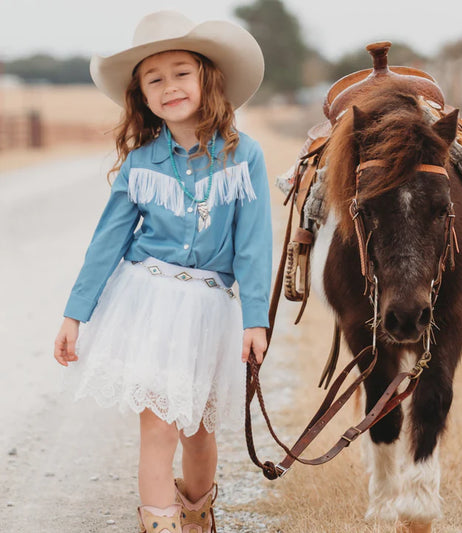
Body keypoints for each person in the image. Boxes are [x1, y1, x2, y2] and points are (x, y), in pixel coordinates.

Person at [53, 10, 271, 533]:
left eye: (181, 73)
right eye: (155, 79)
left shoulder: (245, 157)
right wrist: (74, 314)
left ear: (207, 81)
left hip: (209, 309)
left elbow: (255, 246)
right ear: (143, 97)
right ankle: (160, 524)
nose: (169, 86)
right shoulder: (141, 164)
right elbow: (107, 244)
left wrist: (256, 319)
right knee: (159, 429)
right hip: (150, 303)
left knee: (199, 432)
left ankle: (197, 512)